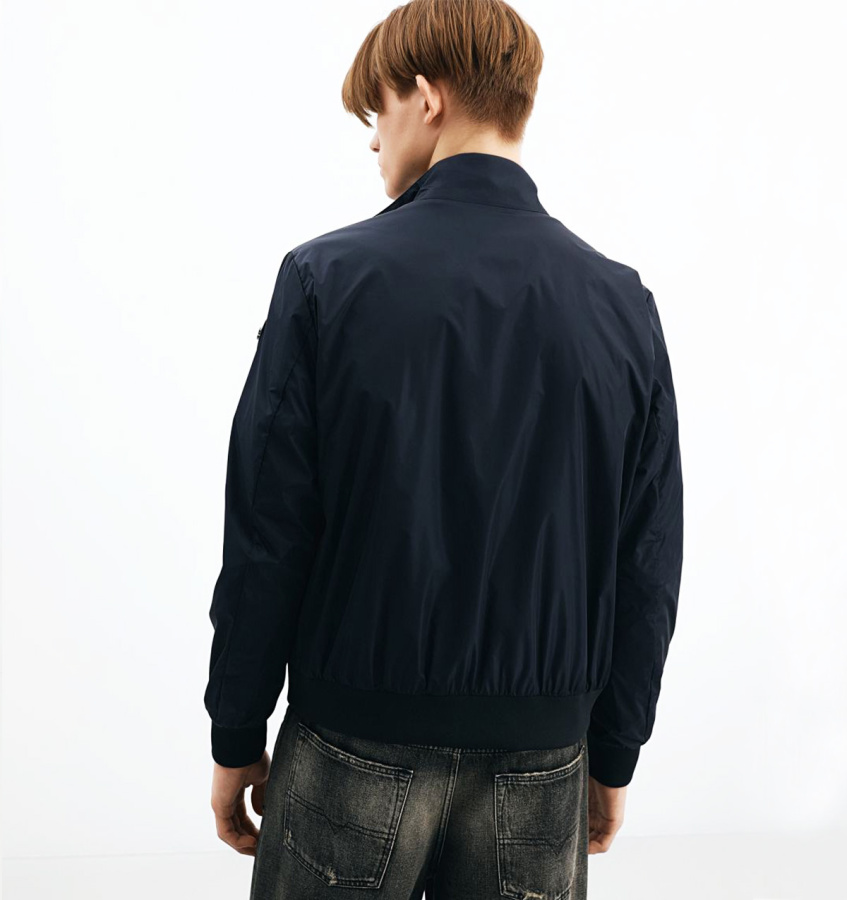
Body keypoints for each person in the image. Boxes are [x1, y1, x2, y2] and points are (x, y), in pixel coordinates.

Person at [204, 1, 684, 897]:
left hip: (351, 740)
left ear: (426, 98)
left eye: (376, 109)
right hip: (542, 758)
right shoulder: (622, 305)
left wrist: (236, 730)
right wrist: (615, 749)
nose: (372, 138)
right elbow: (647, 555)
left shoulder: (325, 279)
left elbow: (269, 531)